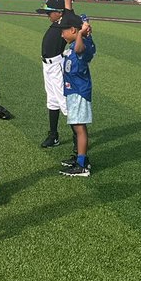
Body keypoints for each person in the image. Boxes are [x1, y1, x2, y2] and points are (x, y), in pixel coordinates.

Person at [58, 10, 95, 176]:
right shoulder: (74, 44)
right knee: (75, 125)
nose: (61, 35)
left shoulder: (81, 44)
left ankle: (82, 164)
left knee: (79, 127)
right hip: (73, 91)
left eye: (64, 30)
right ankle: (80, 158)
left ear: (73, 30)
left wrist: (81, 33)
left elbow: (80, 49)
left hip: (79, 92)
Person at [37, 0, 73, 149]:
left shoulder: (64, 23)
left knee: (64, 102)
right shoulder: (57, 23)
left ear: (59, 13)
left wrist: (67, 0)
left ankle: (78, 139)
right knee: (52, 100)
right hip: (47, 66)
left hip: (57, 65)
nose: (47, 15)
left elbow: (70, 14)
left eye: (49, 12)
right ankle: (53, 135)